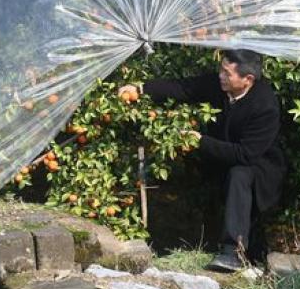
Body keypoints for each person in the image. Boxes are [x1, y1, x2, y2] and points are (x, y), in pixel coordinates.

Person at [118, 49, 285, 272]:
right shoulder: (220, 85)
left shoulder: (265, 105)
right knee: (228, 191)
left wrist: (202, 142)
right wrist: (141, 89)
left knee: (239, 176)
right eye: (221, 70)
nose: (220, 76)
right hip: (223, 156)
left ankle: (231, 253)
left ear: (248, 80)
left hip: (260, 167)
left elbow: (246, 155)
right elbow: (184, 88)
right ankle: (249, 256)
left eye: (227, 73)